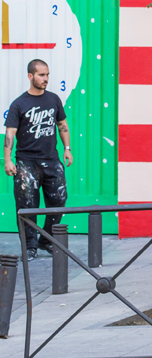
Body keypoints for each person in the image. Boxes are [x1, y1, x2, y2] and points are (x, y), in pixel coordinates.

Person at [4, 59, 73, 261]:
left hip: (52, 160)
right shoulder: (19, 104)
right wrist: (8, 160)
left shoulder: (53, 99)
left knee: (59, 200)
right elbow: (10, 133)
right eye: (42, 75)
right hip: (26, 162)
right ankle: (30, 247)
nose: (46, 79)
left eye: (47, 75)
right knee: (27, 207)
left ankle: (46, 240)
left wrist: (67, 149)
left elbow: (62, 124)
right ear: (30, 76)